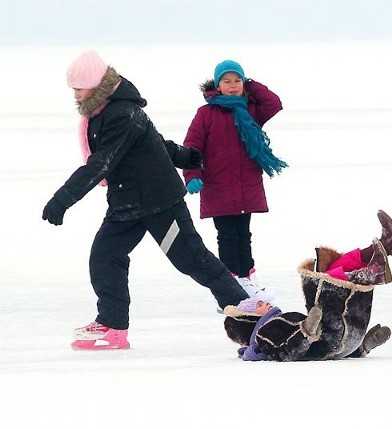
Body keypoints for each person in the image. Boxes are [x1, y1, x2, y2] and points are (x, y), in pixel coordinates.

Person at [41, 50, 249, 351]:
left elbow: (102, 162)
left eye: (79, 87)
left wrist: (62, 199)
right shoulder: (104, 110)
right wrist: (181, 155)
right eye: (73, 88)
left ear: (96, 84)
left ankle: (243, 308)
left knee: (190, 258)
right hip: (127, 203)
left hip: (159, 202)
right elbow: (152, 141)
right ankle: (113, 326)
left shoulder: (120, 113)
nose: (76, 94)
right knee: (105, 257)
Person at [223, 210, 392, 362]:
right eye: (258, 306)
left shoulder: (276, 322)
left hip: (336, 341)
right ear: (249, 319)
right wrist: (306, 331)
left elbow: (326, 352)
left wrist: (362, 345)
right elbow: (285, 352)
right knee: (324, 279)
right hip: (328, 337)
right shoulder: (263, 334)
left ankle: (385, 248)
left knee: (332, 269)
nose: (265, 303)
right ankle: (371, 270)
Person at [182, 59, 285, 303]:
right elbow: (192, 147)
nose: (233, 85)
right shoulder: (206, 114)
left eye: (237, 80)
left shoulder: (250, 110)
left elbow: (274, 103)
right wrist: (192, 175)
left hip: (245, 186)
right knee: (226, 236)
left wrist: (249, 83)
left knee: (243, 234)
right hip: (218, 187)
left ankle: (247, 280)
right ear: (217, 86)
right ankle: (231, 287)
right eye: (226, 81)